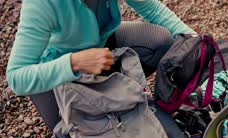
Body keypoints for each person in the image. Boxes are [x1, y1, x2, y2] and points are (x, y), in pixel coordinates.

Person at [6, 0, 194, 96]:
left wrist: (193, 40)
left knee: (160, 41)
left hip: (103, 45)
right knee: (95, 135)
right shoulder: (42, 4)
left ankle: (127, 97)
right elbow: (17, 78)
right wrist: (73, 63)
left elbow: (152, 9)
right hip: (59, 78)